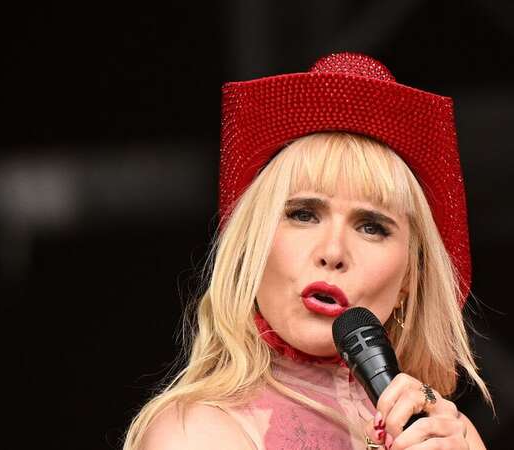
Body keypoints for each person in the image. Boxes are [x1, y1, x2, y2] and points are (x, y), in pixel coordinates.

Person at [123, 52, 493, 450]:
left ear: (410, 278)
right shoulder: (193, 433)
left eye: (371, 227)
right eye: (303, 214)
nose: (332, 251)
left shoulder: (448, 436)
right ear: (252, 244)